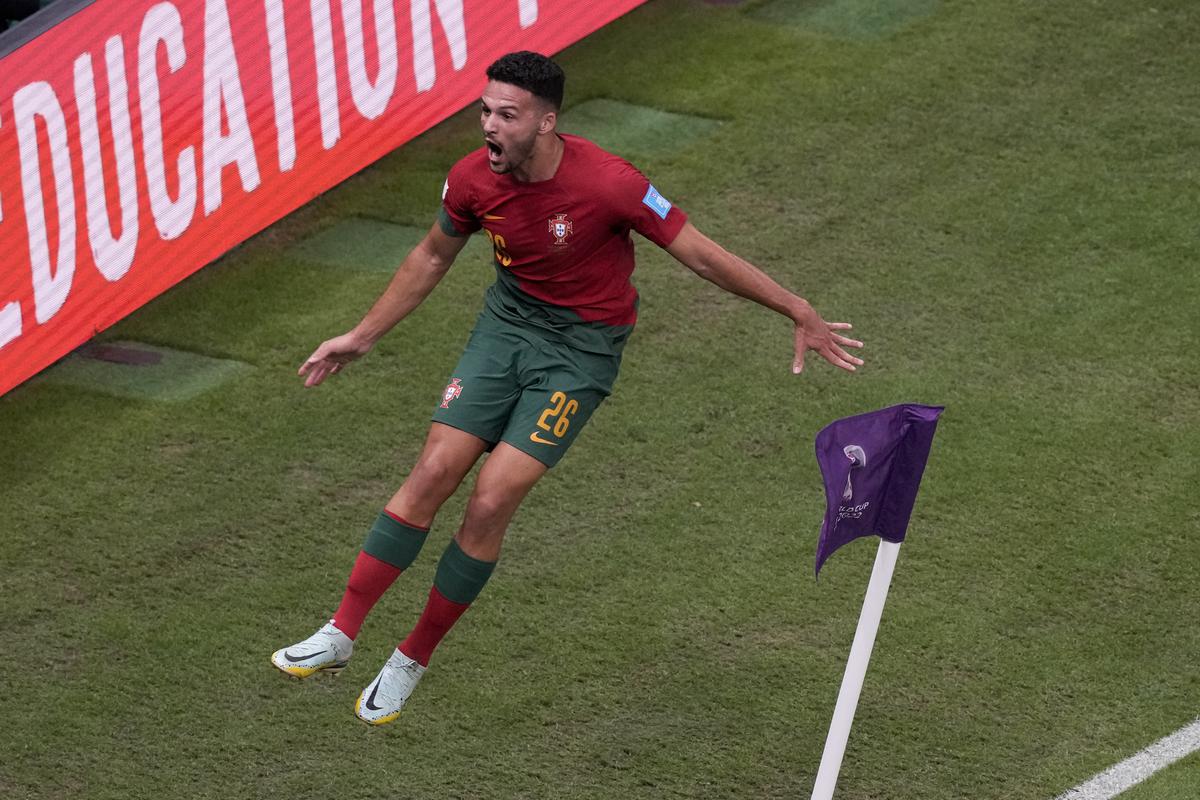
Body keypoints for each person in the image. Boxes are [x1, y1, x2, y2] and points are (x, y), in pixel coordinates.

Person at [271, 51, 864, 726]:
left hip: (580, 353)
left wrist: (795, 307)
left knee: (492, 498)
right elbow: (434, 253)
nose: (490, 126)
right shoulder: (471, 179)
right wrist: (363, 334)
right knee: (434, 467)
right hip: (506, 329)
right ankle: (341, 633)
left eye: (507, 115)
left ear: (547, 122)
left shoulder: (611, 184)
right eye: (485, 111)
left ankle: (411, 657)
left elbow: (699, 253)